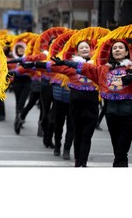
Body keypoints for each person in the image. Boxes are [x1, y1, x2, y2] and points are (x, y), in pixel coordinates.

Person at [51, 39, 132, 167]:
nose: (117, 50)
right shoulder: (103, 69)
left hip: (128, 115)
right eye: (114, 48)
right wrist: (64, 62)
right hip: (111, 114)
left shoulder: (131, 68)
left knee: (122, 152)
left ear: (127, 52)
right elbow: (85, 67)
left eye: (120, 48)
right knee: (117, 150)